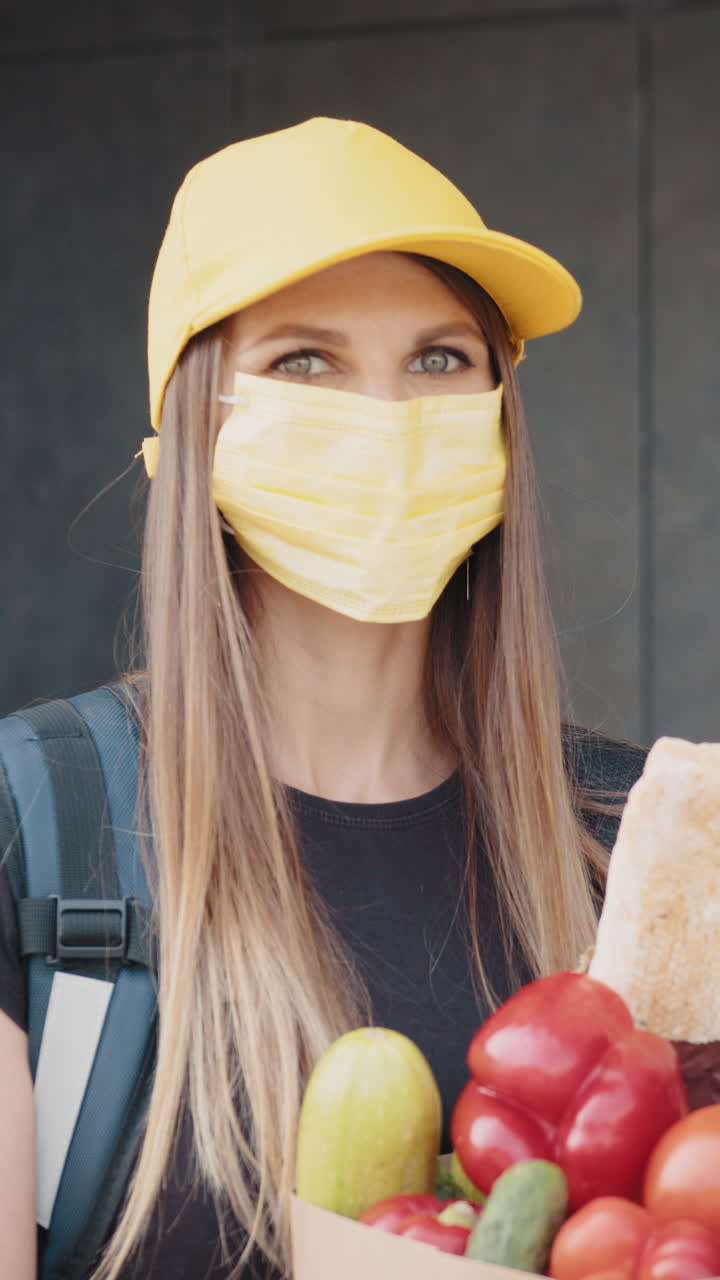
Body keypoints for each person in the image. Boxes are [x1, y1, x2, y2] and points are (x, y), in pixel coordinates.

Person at [0, 117, 647, 1280]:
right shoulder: (31, 820)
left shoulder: (640, 843)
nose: (388, 415)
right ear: (194, 428)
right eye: (305, 360)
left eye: (441, 358)